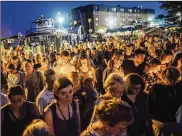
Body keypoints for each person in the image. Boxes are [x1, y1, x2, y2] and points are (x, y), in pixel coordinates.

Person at [147, 67, 182, 136]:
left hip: (177, 120)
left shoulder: (178, 86)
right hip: (161, 120)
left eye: (174, 80)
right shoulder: (156, 88)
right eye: (169, 80)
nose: (171, 82)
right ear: (163, 77)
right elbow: (150, 106)